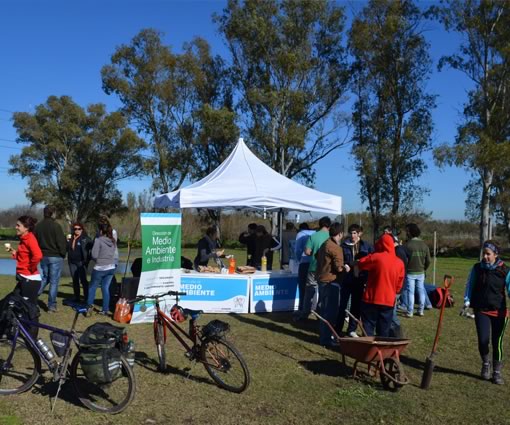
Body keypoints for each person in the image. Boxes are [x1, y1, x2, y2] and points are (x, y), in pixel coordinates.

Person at [464, 240, 510, 385]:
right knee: (483, 340)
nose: (485, 256)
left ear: (496, 254)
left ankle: (496, 372)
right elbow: (470, 285)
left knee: (497, 342)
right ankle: (485, 364)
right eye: (483, 253)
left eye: (488, 254)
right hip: (481, 310)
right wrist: (467, 300)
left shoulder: (504, 270)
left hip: (499, 312)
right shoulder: (477, 268)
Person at [357, 233, 405, 337]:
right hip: (388, 299)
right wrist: (395, 292)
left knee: (368, 325)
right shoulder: (399, 262)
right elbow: (399, 283)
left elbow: (361, 263)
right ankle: (382, 347)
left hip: (371, 297)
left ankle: (367, 347)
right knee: (384, 327)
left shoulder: (376, 257)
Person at [315, 222, 347, 347]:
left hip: (321, 279)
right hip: (330, 281)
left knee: (324, 310)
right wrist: (347, 268)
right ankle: (327, 339)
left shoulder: (325, 244)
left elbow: (317, 255)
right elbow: (339, 268)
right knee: (330, 312)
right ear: (340, 234)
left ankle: (325, 336)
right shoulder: (336, 248)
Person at [338, 224, 373, 337]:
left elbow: (372, 260)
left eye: (355, 233)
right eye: (351, 233)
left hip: (360, 279)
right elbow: (339, 260)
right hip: (347, 279)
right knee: (342, 305)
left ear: (359, 234)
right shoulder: (344, 246)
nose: (352, 235)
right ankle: (338, 328)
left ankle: (352, 329)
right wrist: (344, 265)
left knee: (356, 305)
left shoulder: (366, 246)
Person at [35, 205, 67, 312]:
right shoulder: (56, 226)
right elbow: (61, 242)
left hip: (43, 255)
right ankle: (51, 305)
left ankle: (34, 296)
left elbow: (36, 242)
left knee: (45, 278)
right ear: (52, 213)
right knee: (53, 281)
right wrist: (63, 253)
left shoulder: (38, 226)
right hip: (55, 256)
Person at [5, 216, 43, 304]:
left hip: (30, 280)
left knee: (27, 308)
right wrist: (13, 251)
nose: (16, 227)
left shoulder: (30, 239)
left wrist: (31, 268)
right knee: (11, 302)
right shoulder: (23, 239)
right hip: (24, 278)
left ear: (26, 228)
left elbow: (38, 255)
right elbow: (23, 256)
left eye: (18, 225)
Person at [303, 217, 331, 317]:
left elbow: (307, 252)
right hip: (326, 268)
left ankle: (306, 312)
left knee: (310, 291)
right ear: (329, 225)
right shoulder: (331, 236)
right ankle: (320, 313)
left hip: (313, 267)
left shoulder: (313, 236)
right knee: (323, 292)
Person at [86, 223, 117, 316]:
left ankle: (89, 308)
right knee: (105, 288)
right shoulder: (113, 240)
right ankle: (105, 309)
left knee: (92, 288)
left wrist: (98, 258)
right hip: (111, 267)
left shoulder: (98, 240)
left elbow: (94, 255)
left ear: (101, 231)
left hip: (100, 267)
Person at [403, 223, 431, 318]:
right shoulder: (424, 245)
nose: (406, 233)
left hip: (410, 272)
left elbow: (404, 260)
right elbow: (428, 260)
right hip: (421, 272)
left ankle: (410, 312)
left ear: (410, 232)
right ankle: (421, 310)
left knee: (410, 292)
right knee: (421, 291)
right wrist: (424, 268)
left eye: (407, 231)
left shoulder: (407, 245)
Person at [293, 223, 315, 318]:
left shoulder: (300, 234)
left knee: (303, 287)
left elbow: (297, 250)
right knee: (313, 287)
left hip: (305, 262)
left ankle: (302, 308)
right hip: (316, 263)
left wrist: (299, 260)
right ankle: (313, 308)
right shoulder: (315, 233)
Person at [67, 222, 92, 303]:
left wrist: (87, 259)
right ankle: (77, 297)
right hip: (72, 262)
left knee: (83, 280)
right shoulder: (70, 237)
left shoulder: (85, 238)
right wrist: (67, 241)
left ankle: (86, 298)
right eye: (75, 229)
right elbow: (67, 248)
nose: (77, 230)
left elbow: (92, 247)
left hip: (81, 263)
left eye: (79, 229)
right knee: (75, 280)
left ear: (82, 229)